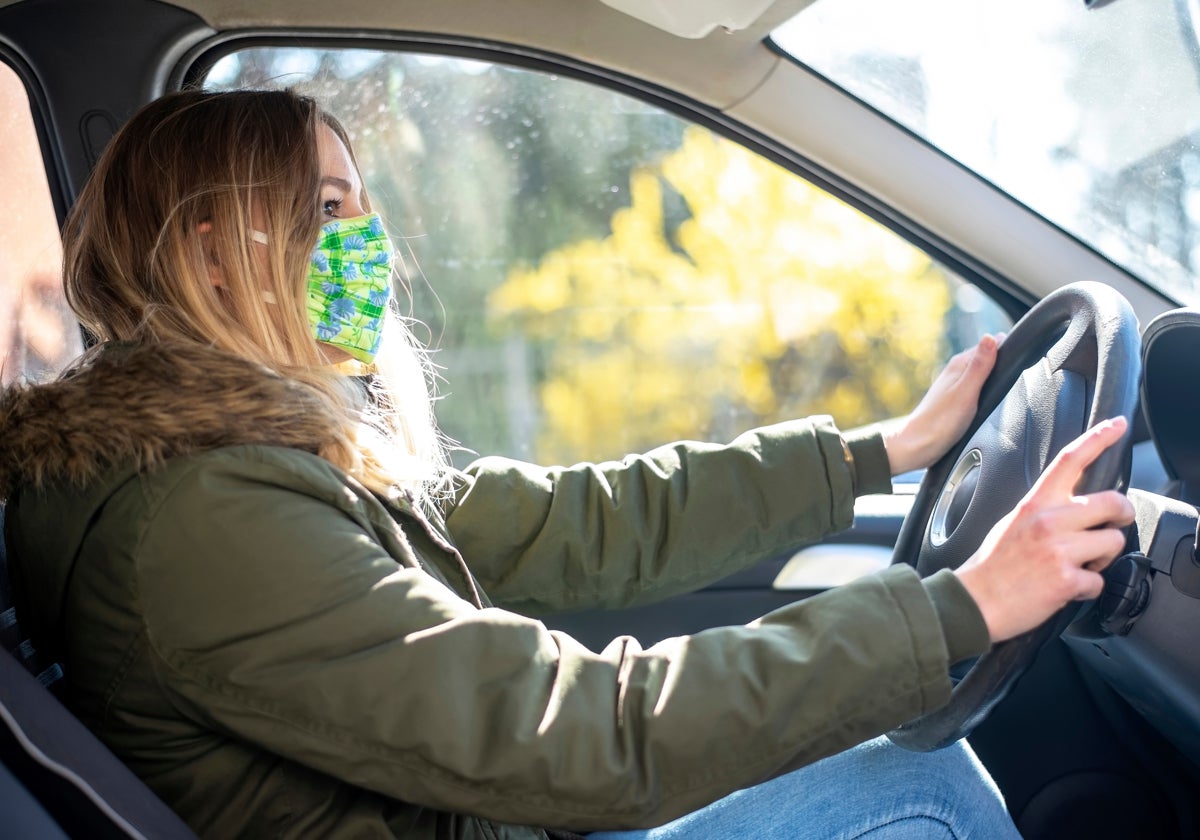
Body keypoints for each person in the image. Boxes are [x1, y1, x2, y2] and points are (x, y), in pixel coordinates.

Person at [0, 89, 1133, 839]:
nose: (366, 240)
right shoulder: (206, 517)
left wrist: (884, 449)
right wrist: (958, 608)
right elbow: (586, 730)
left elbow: (574, 520)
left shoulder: (248, 460)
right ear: (209, 253)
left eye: (363, 205)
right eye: (327, 206)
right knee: (920, 789)